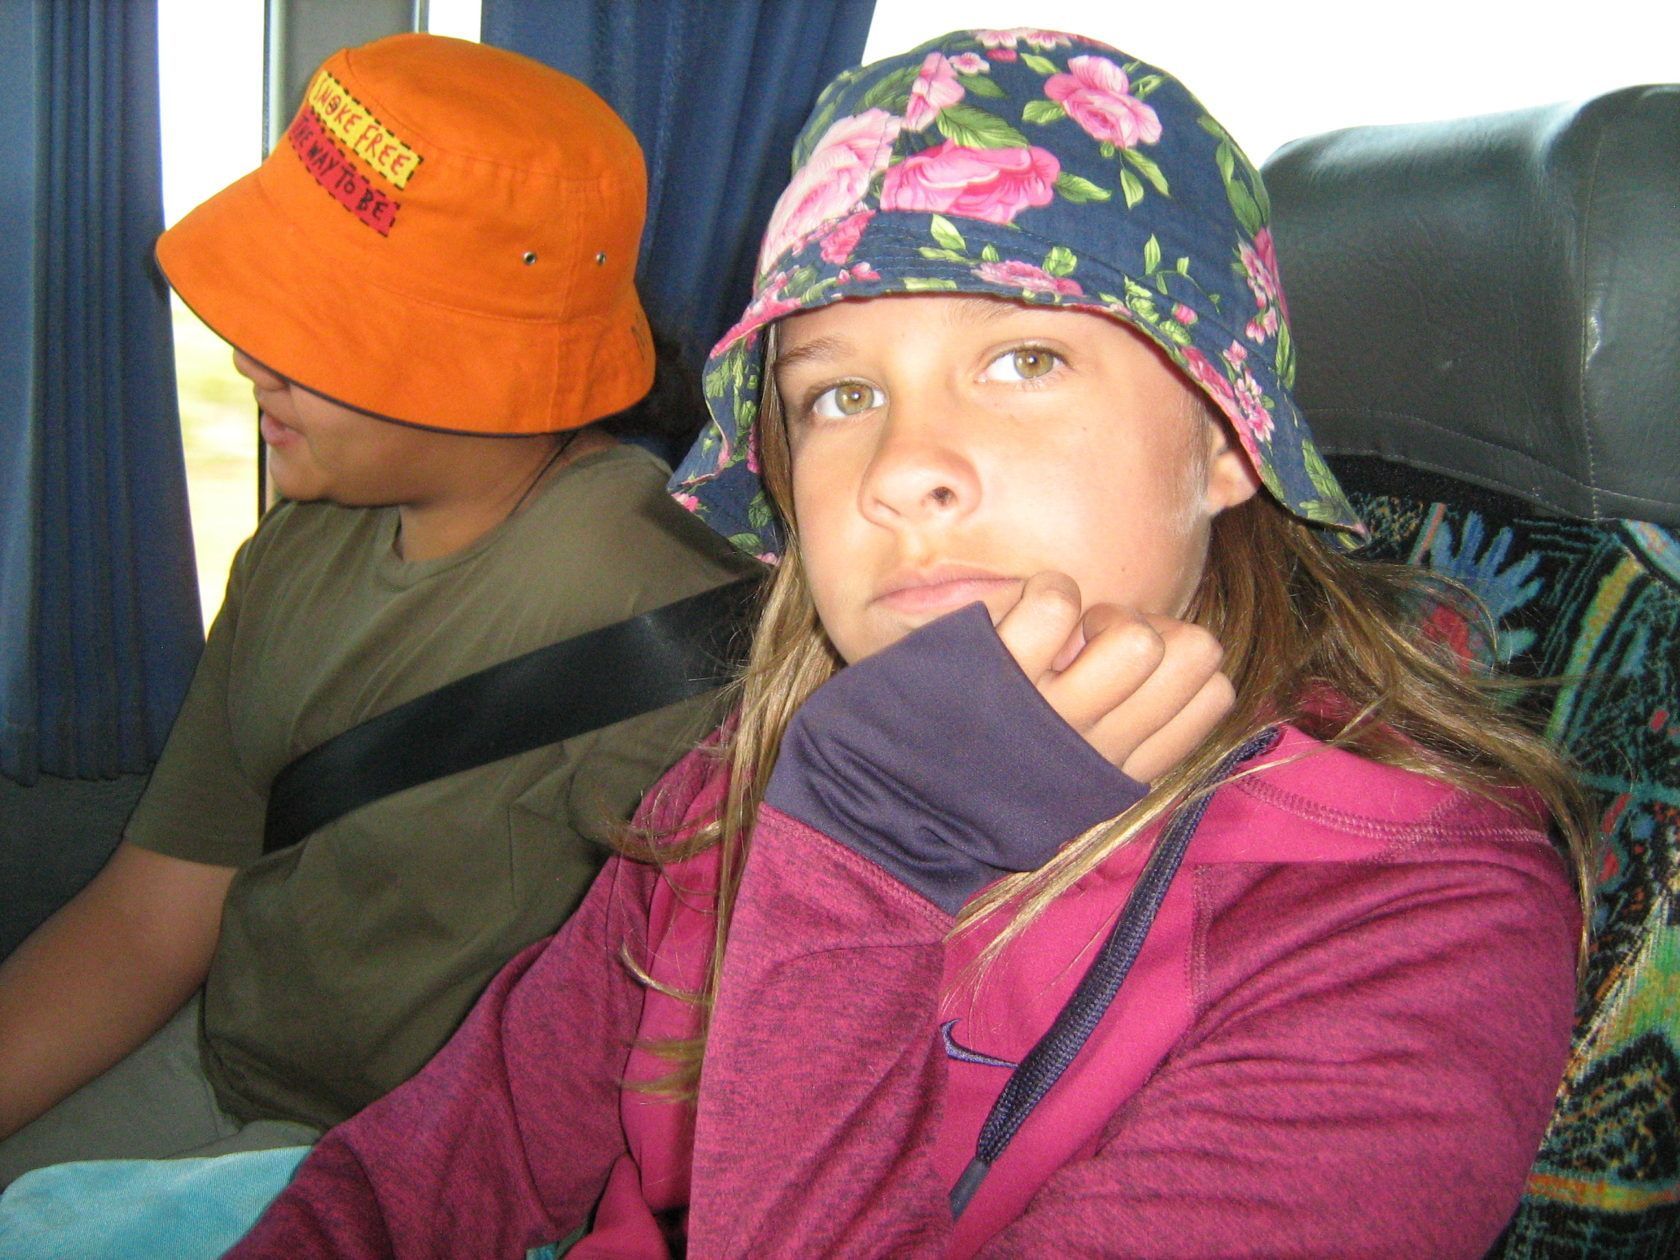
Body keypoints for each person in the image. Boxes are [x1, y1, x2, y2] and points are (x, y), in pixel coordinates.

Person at [221, 29, 1585, 1256]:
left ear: (1226, 442)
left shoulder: (1409, 920)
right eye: (842, 393)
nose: (903, 470)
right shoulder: (735, 789)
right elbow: (440, 1166)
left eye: (1024, 361)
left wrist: (871, 860)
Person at [0, 33, 759, 1181]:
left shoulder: (653, 604)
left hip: (422, 1164)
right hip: (216, 1062)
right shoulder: (308, 537)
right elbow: (160, 902)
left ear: (478, 365)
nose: (249, 354)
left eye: (315, 326)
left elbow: (671, 1057)